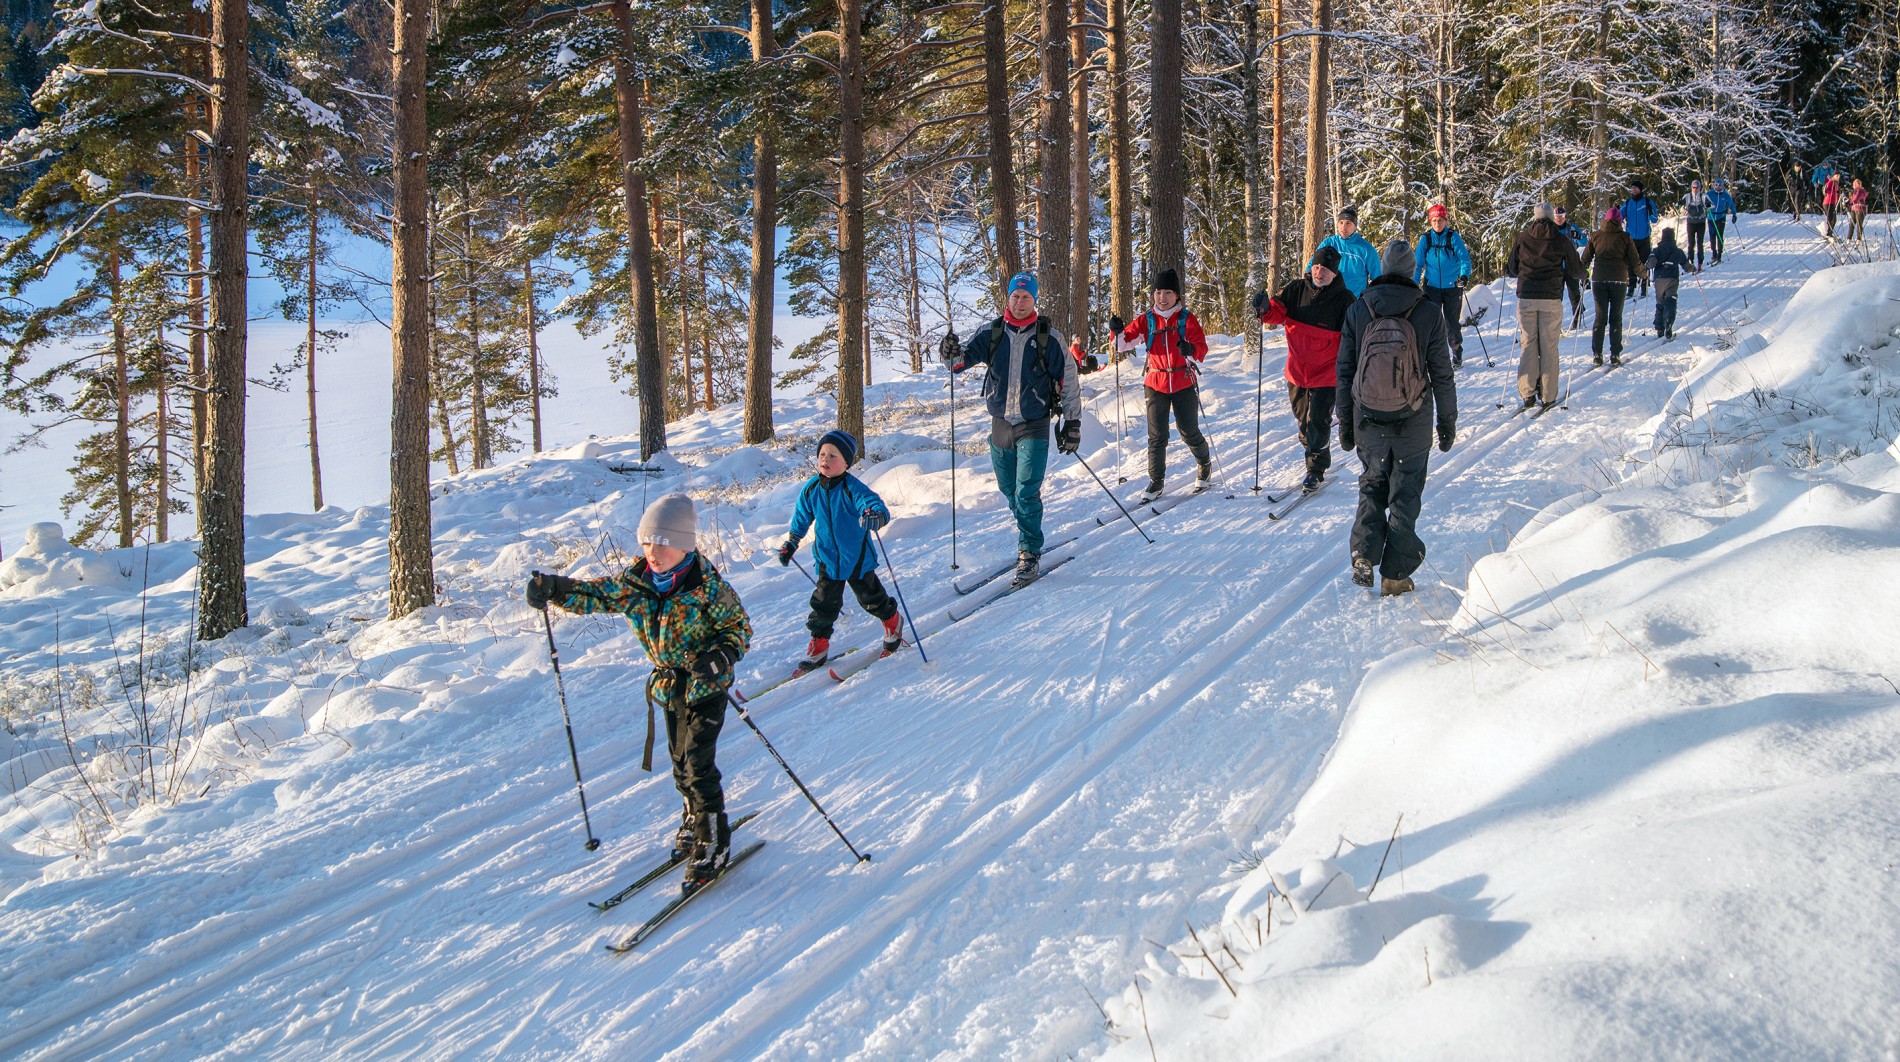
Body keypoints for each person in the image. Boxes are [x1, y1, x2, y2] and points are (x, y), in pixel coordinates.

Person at [526, 494, 753, 886]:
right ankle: (692, 816)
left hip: (706, 687)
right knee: (681, 766)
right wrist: (555, 588)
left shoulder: (706, 587)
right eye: (647, 541)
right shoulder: (636, 584)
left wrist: (720, 656)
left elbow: (740, 631)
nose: (653, 551)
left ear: (684, 545)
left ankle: (714, 840)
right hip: (668, 688)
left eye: (662, 542)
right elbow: (594, 596)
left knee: (699, 768)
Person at [940, 271, 1081, 588]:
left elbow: (1069, 380)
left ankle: (1029, 551)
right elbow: (958, 363)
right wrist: (948, 352)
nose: (1020, 302)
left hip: (1034, 422)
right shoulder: (992, 332)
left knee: (1026, 491)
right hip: (1001, 423)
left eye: (1026, 297)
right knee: (1009, 491)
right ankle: (1028, 533)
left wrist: (1072, 422)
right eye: (1015, 297)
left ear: (1035, 300)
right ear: (1008, 298)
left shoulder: (1048, 337)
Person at [1335, 240, 1457, 598]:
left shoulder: (1359, 310)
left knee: (1372, 484)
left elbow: (1345, 371)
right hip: (1413, 418)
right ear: (1411, 272)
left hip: (1367, 417)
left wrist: (1345, 422)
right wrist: (1447, 421)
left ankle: (1363, 552)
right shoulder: (1429, 311)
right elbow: (1441, 373)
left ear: (1382, 269)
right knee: (1405, 493)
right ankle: (1395, 576)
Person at [776, 430, 902, 674]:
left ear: (847, 462)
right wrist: (791, 542)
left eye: (833, 455)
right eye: (822, 454)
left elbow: (873, 504)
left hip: (856, 558)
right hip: (826, 559)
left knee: (871, 599)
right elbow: (801, 518)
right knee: (824, 604)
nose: (825, 459)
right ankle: (819, 645)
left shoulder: (852, 487)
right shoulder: (811, 488)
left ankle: (893, 622)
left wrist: (874, 515)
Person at [1253, 246, 1356, 492]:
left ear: (1334, 274)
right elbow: (1275, 314)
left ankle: (1315, 469)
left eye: (1326, 269)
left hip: (1326, 373)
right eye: (1317, 267)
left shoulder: (1345, 300)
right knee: (1303, 422)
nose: (1320, 273)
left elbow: (1352, 337)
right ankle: (1314, 446)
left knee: (1318, 422)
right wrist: (1264, 308)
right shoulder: (1295, 289)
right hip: (1297, 371)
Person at [1112, 268, 1211, 503]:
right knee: (1157, 436)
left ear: (1177, 296)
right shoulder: (1146, 319)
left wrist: (1190, 349)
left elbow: (1202, 349)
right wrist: (1116, 331)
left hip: (1183, 381)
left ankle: (1204, 464)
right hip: (1155, 381)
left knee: (1188, 431)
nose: (1162, 298)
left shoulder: (1186, 318)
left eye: (1168, 292)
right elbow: (1122, 345)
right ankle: (1156, 481)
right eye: (1158, 292)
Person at [1504, 203, 1586, 408]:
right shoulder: (1561, 239)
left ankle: (1527, 391)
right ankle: (1548, 395)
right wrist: (1586, 275)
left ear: (1535, 217)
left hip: (1527, 298)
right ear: (1550, 218)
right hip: (1550, 297)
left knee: (1528, 343)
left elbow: (1512, 267)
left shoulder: (1523, 237)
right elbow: (1575, 269)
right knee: (1549, 346)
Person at [1581, 207, 1646, 368]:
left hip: (1599, 280)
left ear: (1605, 221)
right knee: (1615, 318)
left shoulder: (1595, 236)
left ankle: (1597, 353)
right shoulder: (1625, 237)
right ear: (1619, 222)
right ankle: (1615, 354)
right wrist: (1643, 274)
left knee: (1600, 317)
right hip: (1618, 280)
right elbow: (1634, 260)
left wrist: (1582, 274)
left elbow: (1585, 258)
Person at [1412, 204, 1474, 367]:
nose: (1437, 224)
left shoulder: (1453, 237)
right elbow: (1418, 264)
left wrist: (1464, 276)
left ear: (1445, 220)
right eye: (1434, 220)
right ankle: (1430, 354)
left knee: (1451, 322)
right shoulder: (1426, 239)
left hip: (1452, 287)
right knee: (1430, 320)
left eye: (1440, 220)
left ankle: (1456, 351)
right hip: (1431, 286)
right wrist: (1412, 284)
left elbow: (1464, 260)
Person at [1646, 227, 1697, 341]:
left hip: (1659, 280)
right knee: (1670, 301)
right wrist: (1693, 269)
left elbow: (1652, 263)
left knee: (1660, 303)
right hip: (1672, 280)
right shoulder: (1677, 251)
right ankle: (1668, 322)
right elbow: (1686, 265)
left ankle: (1659, 328)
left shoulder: (1657, 250)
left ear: (1663, 237)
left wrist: (1646, 266)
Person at [1319, 206, 1383, 296]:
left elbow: (1377, 279)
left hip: (1355, 302)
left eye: (1348, 223)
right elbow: (1312, 268)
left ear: (1355, 226)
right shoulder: (1328, 243)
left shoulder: (1366, 249)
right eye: (1341, 223)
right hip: (1330, 299)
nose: (1343, 227)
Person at [1618, 179, 1661, 298]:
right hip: (1631, 239)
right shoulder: (1628, 203)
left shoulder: (1647, 202)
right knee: (1631, 264)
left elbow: (1654, 219)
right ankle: (1631, 288)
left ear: (1641, 190)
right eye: (1632, 188)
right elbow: (1619, 218)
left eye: (1636, 188)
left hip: (1644, 237)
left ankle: (1643, 287)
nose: (1633, 190)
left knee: (1643, 263)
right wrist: (1616, 212)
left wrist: (1650, 210)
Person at [1554, 205, 1590, 327]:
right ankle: (1555, 322)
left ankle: (1577, 318)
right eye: (1557, 216)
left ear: (1565, 217)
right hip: (1556, 267)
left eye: (1562, 216)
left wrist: (1578, 236)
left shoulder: (1572, 228)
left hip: (1571, 266)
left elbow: (1584, 243)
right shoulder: (1551, 229)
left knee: (1574, 294)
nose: (1559, 219)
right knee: (1556, 297)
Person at [1683, 180, 1713, 268]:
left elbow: (1713, 205)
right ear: (1691, 187)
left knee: (1700, 244)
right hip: (1690, 222)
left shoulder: (1704, 196)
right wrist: (1680, 204)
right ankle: (1691, 261)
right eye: (1693, 187)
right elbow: (1680, 205)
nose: (1695, 189)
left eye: (1697, 187)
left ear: (1700, 188)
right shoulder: (1687, 196)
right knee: (1691, 243)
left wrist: (1708, 205)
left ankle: (1700, 263)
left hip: (1700, 222)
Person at [1707, 178, 1737, 265]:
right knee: (1712, 236)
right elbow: (1704, 201)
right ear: (1714, 185)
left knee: (1719, 235)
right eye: (1716, 185)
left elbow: (1731, 205)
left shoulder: (1726, 195)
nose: (1718, 187)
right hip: (1711, 217)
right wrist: (1706, 205)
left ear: (1722, 186)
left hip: (1721, 217)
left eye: (1720, 185)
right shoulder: (1710, 193)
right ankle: (1714, 254)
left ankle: (1719, 255)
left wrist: (1734, 214)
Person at [1823, 170, 1842, 237]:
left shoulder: (1836, 183)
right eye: (1837, 176)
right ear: (1833, 176)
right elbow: (1827, 190)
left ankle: (1829, 233)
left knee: (1833, 219)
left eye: (1839, 176)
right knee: (1831, 219)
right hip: (1828, 202)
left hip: (1833, 203)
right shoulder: (1831, 182)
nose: (1838, 177)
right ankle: (1828, 233)